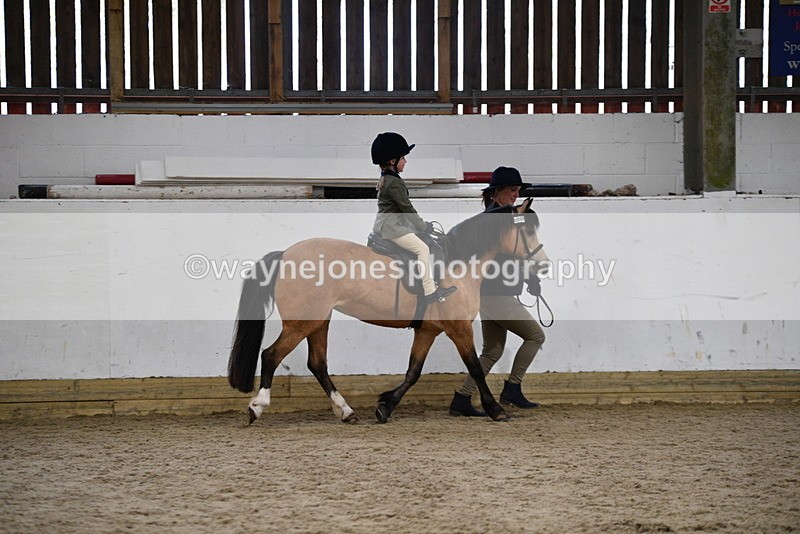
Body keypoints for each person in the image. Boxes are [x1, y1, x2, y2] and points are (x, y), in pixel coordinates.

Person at [448, 166, 545, 416]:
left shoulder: (498, 220)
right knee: (535, 336)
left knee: (492, 351)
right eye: (512, 190)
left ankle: (462, 397)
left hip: (489, 295)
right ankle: (512, 388)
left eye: (517, 191)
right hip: (496, 294)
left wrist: (528, 276)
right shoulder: (495, 223)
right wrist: (527, 275)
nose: (515, 195)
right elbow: (503, 261)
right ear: (497, 192)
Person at [371, 132, 456, 304]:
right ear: (392, 161)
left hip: (388, 224)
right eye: (402, 157)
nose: (405, 161)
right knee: (422, 249)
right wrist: (423, 226)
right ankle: (429, 290)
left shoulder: (387, 178)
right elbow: (406, 208)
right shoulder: (394, 183)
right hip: (392, 228)